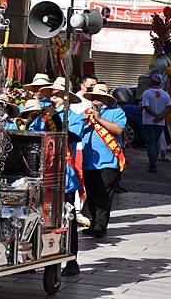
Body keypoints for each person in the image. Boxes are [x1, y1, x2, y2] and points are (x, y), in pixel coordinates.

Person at [39, 77, 84, 276]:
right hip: (42, 174)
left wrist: (55, 120)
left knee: (68, 219)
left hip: (64, 175)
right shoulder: (42, 114)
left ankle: (72, 259)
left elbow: (71, 136)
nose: (54, 97)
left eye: (58, 94)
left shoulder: (74, 116)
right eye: (52, 94)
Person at [81, 84, 126, 238]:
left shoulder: (116, 112)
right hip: (88, 161)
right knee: (91, 195)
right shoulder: (86, 113)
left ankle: (101, 226)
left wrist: (99, 119)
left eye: (99, 98)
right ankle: (94, 223)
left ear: (106, 99)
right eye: (94, 98)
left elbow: (118, 130)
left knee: (103, 195)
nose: (96, 101)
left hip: (108, 161)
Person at [69, 73, 98, 227]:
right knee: (78, 176)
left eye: (94, 86)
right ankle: (77, 211)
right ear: (82, 86)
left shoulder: (94, 101)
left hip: (90, 147)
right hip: (79, 146)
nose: (92, 89)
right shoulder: (77, 102)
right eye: (90, 86)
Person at [141, 74, 171, 173]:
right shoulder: (165, 94)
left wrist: (155, 115)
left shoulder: (146, 93)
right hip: (160, 123)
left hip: (148, 122)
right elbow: (169, 106)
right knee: (155, 143)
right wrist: (161, 116)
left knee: (151, 143)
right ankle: (153, 162)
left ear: (152, 81)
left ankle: (152, 164)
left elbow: (145, 106)